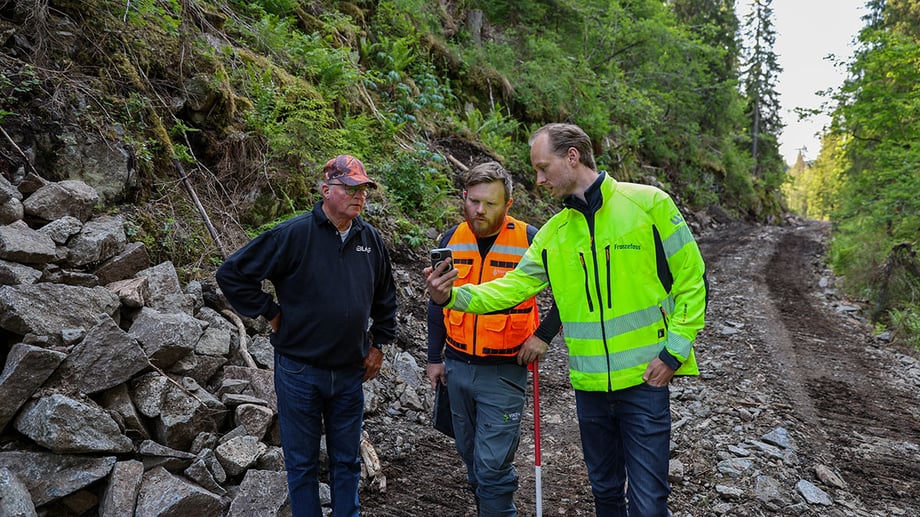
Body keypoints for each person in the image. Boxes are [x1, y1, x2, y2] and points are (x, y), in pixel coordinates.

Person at [426, 124, 707, 516]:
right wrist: (453, 296)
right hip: (589, 387)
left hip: (645, 380)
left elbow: (693, 281)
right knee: (605, 493)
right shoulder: (555, 233)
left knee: (647, 501)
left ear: (572, 157)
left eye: (543, 168)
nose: (539, 179)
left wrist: (674, 353)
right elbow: (510, 288)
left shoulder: (650, 204)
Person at [216, 154, 397, 517]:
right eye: (350, 188)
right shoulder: (294, 234)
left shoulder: (370, 240)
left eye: (363, 189)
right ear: (326, 190)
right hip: (300, 371)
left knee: (346, 461)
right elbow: (232, 273)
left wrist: (379, 344)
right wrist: (270, 311)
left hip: (349, 371)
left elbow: (385, 296)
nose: (359, 196)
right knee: (301, 464)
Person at [426, 162, 560, 516]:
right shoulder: (450, 240)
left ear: (509, 203)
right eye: (473, 201)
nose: (479, 210)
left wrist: (543, 336)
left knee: (492, 465)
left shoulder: (531, 239)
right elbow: (436, 301)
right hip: (456, 365)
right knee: (469, 455)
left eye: (490, 203)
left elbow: (568, 293)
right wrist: (434, 357)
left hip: (504, 370)